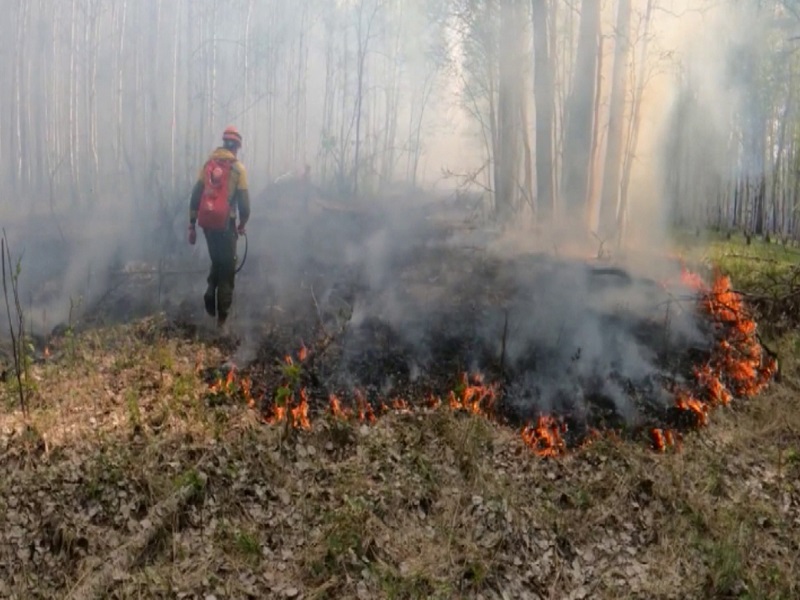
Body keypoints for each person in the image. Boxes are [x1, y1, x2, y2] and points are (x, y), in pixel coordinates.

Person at [188, 126, 251, 329]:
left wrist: (191, 225)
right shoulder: (238, 169)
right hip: (226, 226)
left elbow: (196, 195)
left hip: (207, 225)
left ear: (224, 143)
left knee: (217, 260)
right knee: (228, 268)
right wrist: (242, 224)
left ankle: (209, 293)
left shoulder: (208, 164)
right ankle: (222, 321)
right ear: (237, 147)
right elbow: (245, 205)